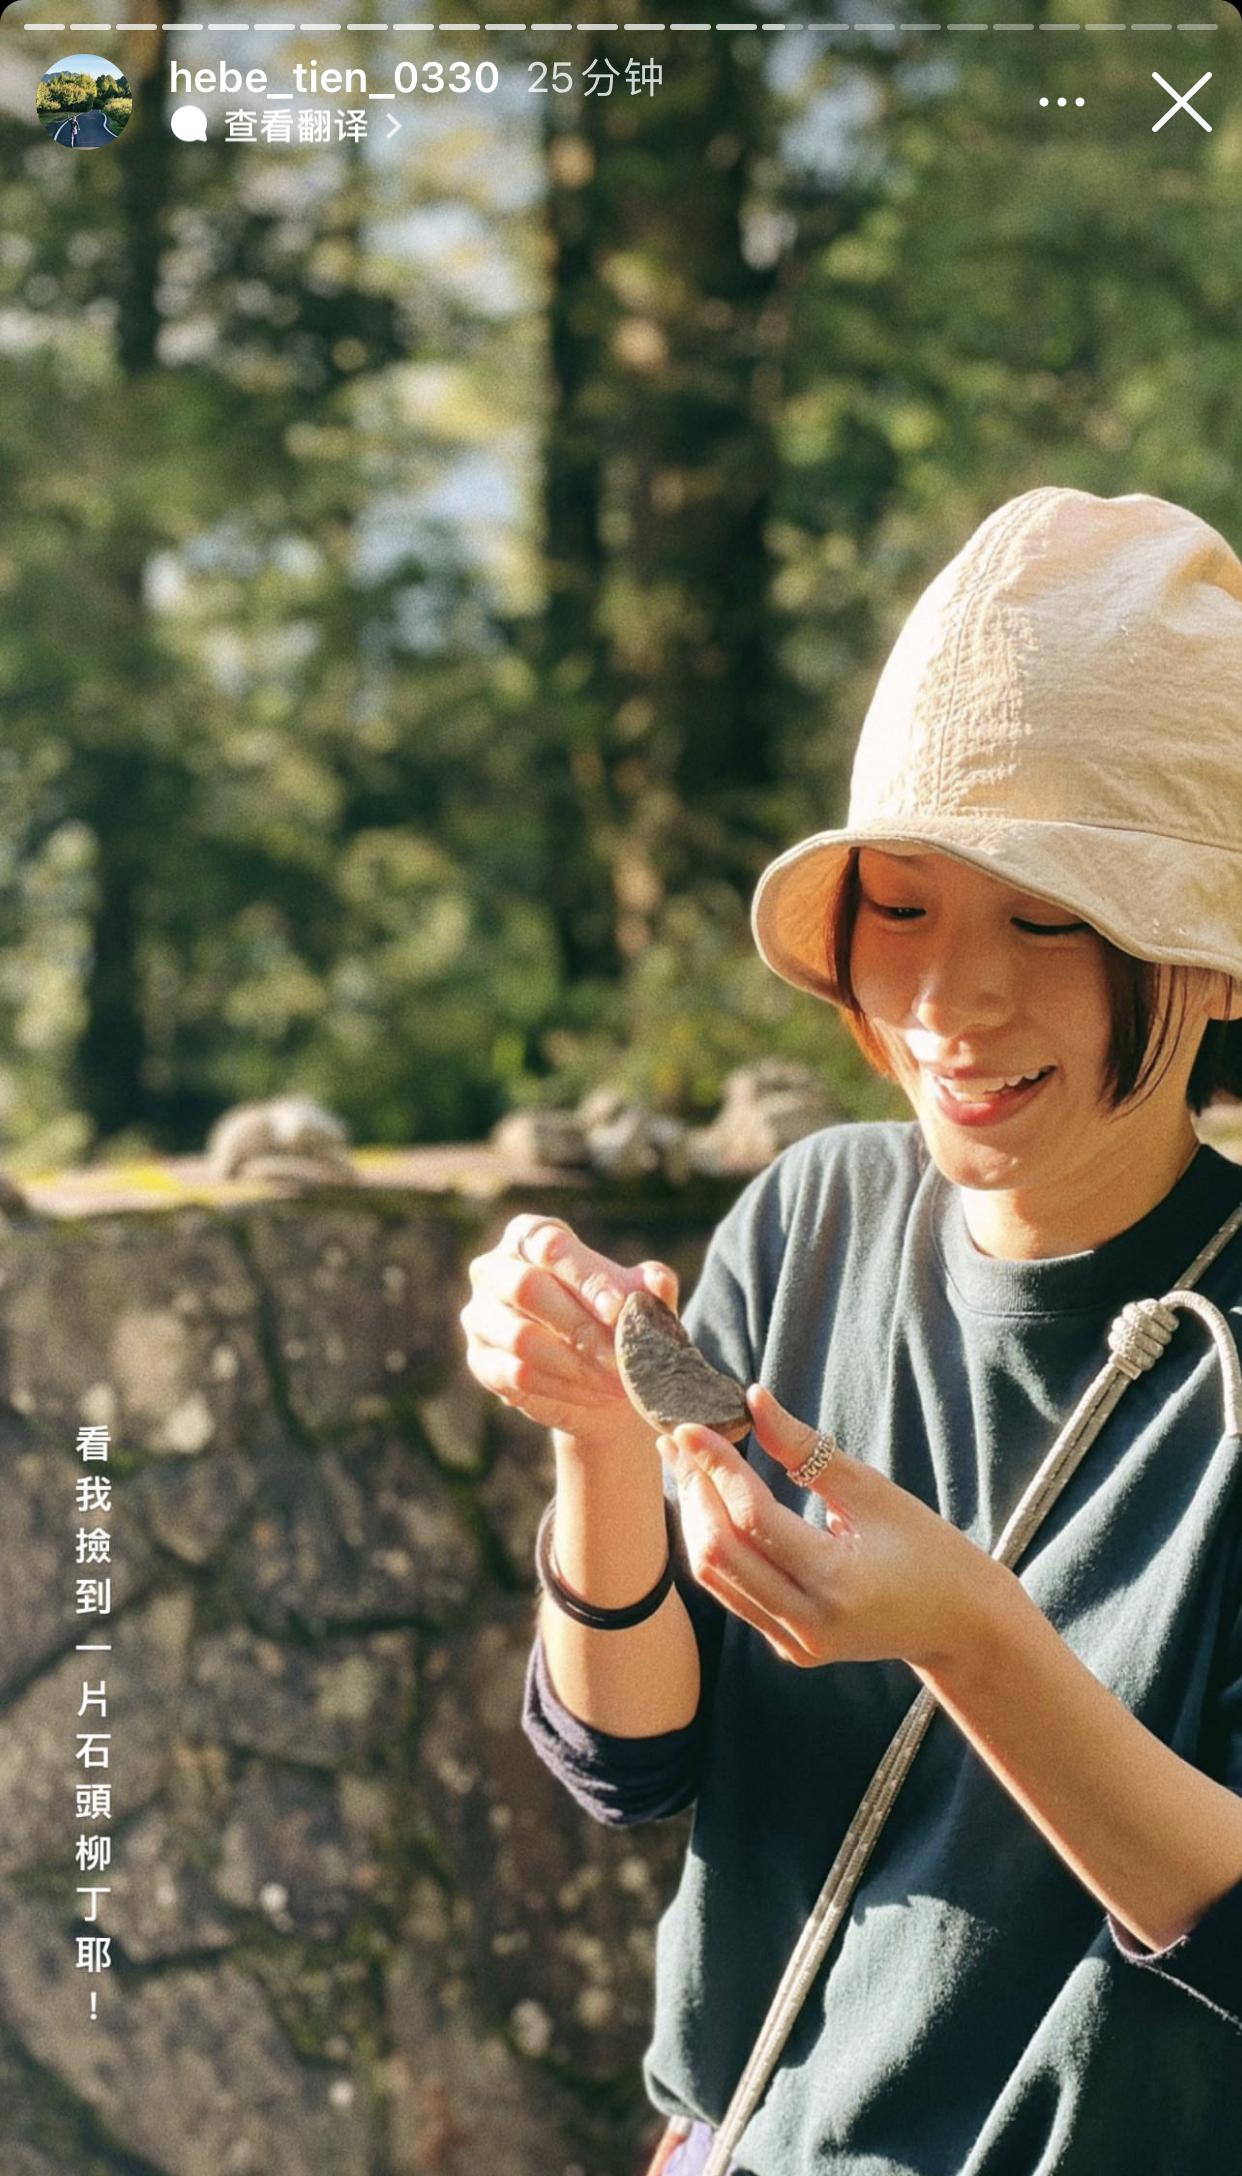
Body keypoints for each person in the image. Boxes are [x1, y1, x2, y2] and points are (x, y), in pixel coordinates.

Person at [462, 486, 1242, 2175]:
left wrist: (972, 1637)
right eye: (901, 906)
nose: (950, 999)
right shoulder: (811, 1215)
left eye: (1047, 916)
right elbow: (632, 1759)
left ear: (1211, 962)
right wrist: (597, 1443)